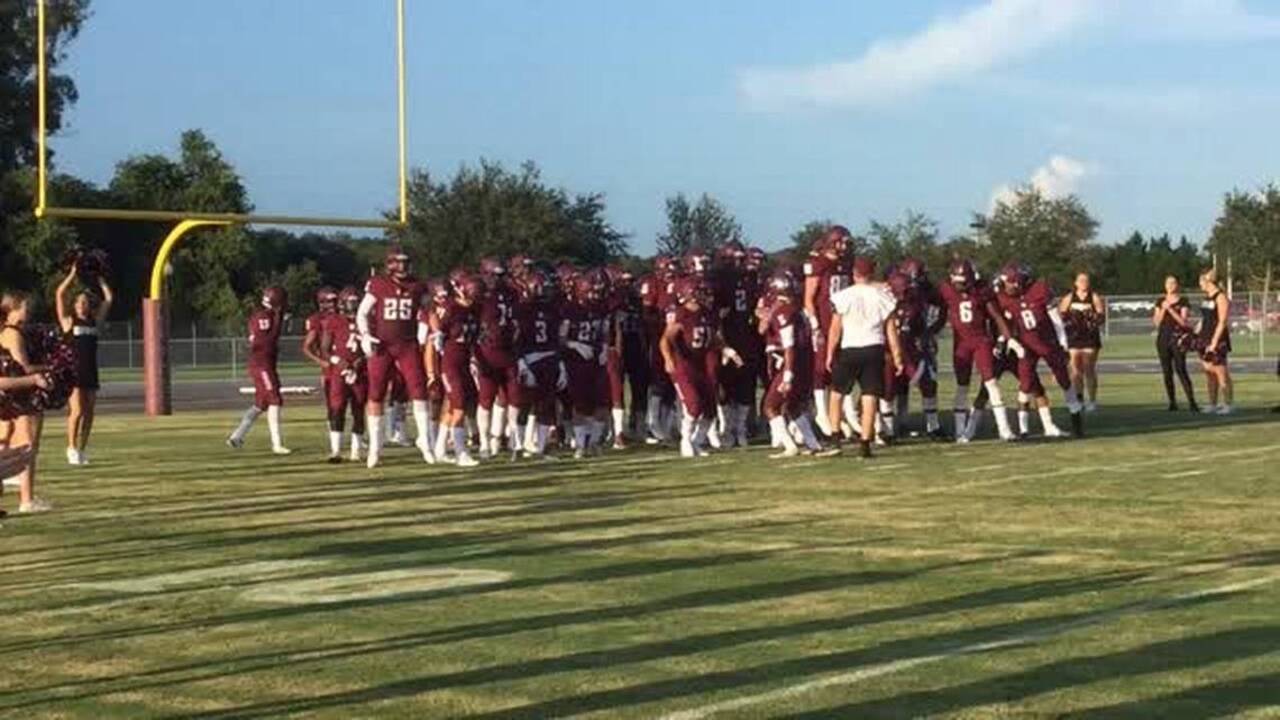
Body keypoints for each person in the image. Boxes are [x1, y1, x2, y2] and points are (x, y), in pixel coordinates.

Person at [358, 246, 434, 468]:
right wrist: (365, 335)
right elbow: (362, 312)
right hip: (383, 345)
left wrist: (428, 329)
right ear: (389, 264)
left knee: (419, 390)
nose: (402, 266)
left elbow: (429, 312)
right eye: (397, 262)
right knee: (376, 393)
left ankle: (425, 442)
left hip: (407, 344)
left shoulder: (418, 286)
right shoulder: (378, 284)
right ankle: (375, 446)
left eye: (405, 262)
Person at [825, 257, 902, 459]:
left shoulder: (843, 296)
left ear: (854, 274)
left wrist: (829, 353)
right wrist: (897, 356)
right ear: (872, 274)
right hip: (874, 348)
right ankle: (865, 444)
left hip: (849, 348)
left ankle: (835, 438)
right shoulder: (882, 296)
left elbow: (835, 329)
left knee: (836, 394)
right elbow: (891, 331)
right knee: (869, 397)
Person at [939, 260, 1020, 443]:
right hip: (961, 344)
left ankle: (1004, 429)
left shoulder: (981, 291)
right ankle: (961, 431)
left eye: (963, 281)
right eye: (957, 281)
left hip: (981, 341)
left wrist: (1009, 339)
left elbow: (997, 316)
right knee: (962, 386)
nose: (959, 285)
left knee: (991, 383)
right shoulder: (946, 289)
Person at [55, 264, 113, 466]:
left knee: (89, 413)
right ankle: (70, 448)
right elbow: (60, 294)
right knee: (77, 411)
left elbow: (109, 299)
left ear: (89, 305)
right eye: (79, 301)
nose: (82, 304)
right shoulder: (68, 321)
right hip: (73, 371)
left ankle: (82, 449)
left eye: (85, 301)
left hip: (90, 371)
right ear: (75, 304)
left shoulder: (94, 322)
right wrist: (72, 274)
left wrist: (100, 278)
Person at [1, 291, 52, 513]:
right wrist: (51, 366)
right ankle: (27, 499)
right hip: (22, 393)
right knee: (29, 446)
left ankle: (18, 486)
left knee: (11, 441)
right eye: (24, 307)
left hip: (10, 395)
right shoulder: (13, 334)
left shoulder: (5, 332)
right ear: (12, 310)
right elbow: (23, 367)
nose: (27, 311)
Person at [226, 287, 291, 454]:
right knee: (275, 399)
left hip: (264, 362)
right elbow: (262, 342)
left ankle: (237, 436)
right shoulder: (264, 316)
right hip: (262, 363)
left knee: (261, 403)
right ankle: (276, 444)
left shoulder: (268, 315)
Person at [803, 226, 852, 436]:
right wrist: (814, 325)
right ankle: (821, 413)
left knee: (841, 369)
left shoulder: (846, 263)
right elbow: (808, 298)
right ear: (832, 242)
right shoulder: (818, 263)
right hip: (823, 322)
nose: (845, 246)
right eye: (841, 242)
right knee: (821, 369)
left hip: (843, 323)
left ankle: (840, 415)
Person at [318, 287, 368, 463]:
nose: (353, 305)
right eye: (350, 302)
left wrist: (360, 361)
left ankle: (356, 451)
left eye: (356, 302)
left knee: (359, 410)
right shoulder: (333, 321)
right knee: (337, 409)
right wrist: (337, 361)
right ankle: (336, 451)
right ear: (342, 303)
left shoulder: (367, 320)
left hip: (360, 372)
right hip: (339, 371)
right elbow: (324, 349)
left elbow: (372, 347)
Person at [1059, 273, 1105, 412]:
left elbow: (1101, 316)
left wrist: (1093, 318)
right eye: (1081, 280)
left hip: (1090, 337)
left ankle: (1092, 401)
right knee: (1075, 370)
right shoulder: (1069, 297)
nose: (1084, 283)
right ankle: (1079, 399)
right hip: (1074, 337)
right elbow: (1061, 314)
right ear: (1076, 283)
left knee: (1089, 368)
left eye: (1086, 280)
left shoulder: (1094, 297)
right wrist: (1070, 318)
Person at [1152, 275, 1199, 412]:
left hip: (1178, 338)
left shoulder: (1183, 301)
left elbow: (1184, 322)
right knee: (1167, 372)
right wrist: (1163, 309)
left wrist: (1171, 310)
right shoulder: (1160, 301)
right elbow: (1156, 322)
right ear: (1165, 285)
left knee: (1181, 369)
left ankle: (1192, 402)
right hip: (1163, 338)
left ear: (1177, 285)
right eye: (1168, 283)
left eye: (1173, 283)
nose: (1171, 285)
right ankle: (1172, 402)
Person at [1196, 268, 1233, 415]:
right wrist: (1194, 333)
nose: (1200, 284)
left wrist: (1214, 342)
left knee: (1221, 372)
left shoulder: (1220, 297)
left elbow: (1222, 321)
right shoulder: (1206, 297)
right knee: (1209, 372)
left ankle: (1228, 404)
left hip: (1217, 339)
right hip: (1204, 337)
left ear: (1208, 279)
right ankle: (1212, 403)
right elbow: (1204, 318)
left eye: (1201, 281)